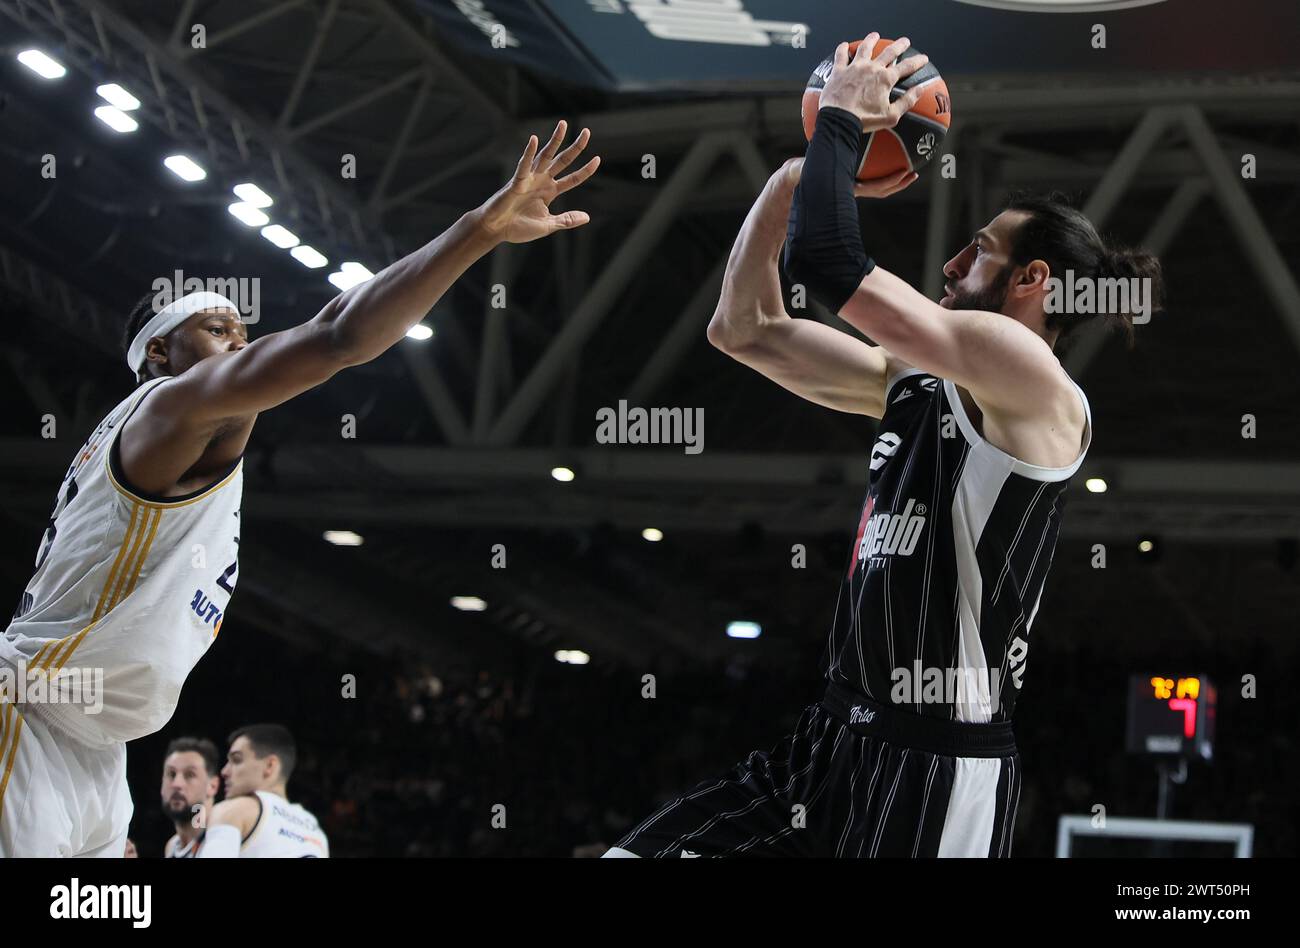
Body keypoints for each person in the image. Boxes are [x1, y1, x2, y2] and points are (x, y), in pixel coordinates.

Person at [606, 35, 1160, 857]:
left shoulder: (1031, 377)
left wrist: (838, 123)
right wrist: (788, 182)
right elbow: (743, 329)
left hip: (938, 763)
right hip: (829, 737)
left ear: (1035, 282)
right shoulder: (912, 378)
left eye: (981, 251)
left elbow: (828, 262)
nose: (952, 259)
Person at [0, 122, 598, 857]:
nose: (241, 345)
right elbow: (338, 337)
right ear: (160, 352)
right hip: (32, 713)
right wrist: (479, 231)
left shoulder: (178, 441)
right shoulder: (170, 408)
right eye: (220, 329)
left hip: (97, 744)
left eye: (244, 332)